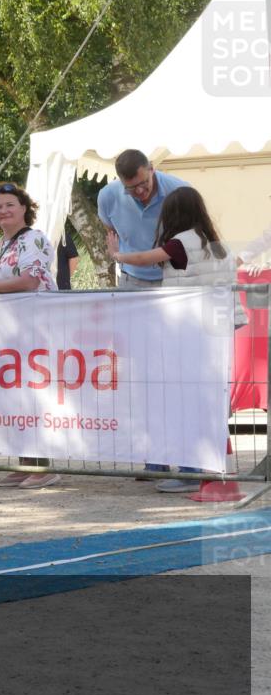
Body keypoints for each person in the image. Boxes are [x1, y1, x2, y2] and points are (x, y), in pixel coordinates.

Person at [107, 186, 244, 492]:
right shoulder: (218, 246)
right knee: (201, 401)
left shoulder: (181, 243)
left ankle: (189, 469)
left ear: (173, 214)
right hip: (217, 329)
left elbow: (145, 258)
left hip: (189, 331)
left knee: (180, 399)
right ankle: (198, 466)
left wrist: (117, 254)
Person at [0, 182, 59, 489]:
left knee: (34, 396)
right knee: (13, 397)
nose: (3, 210)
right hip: (6, 330)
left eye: (9, 204)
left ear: (24, 208)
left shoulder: (36, 239)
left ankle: (45, 465)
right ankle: (25, 460)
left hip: (35, 327)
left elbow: (31, 280)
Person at [98, 149, 189, 289]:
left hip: (174, 277)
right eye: (131, 188)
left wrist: (117, 256)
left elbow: (192, 237)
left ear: (152, 169)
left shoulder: (179, 190)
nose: (139, 191)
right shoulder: (107, 197)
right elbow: (112, 234)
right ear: (121, 181)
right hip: (130, 279)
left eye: (144, 183)